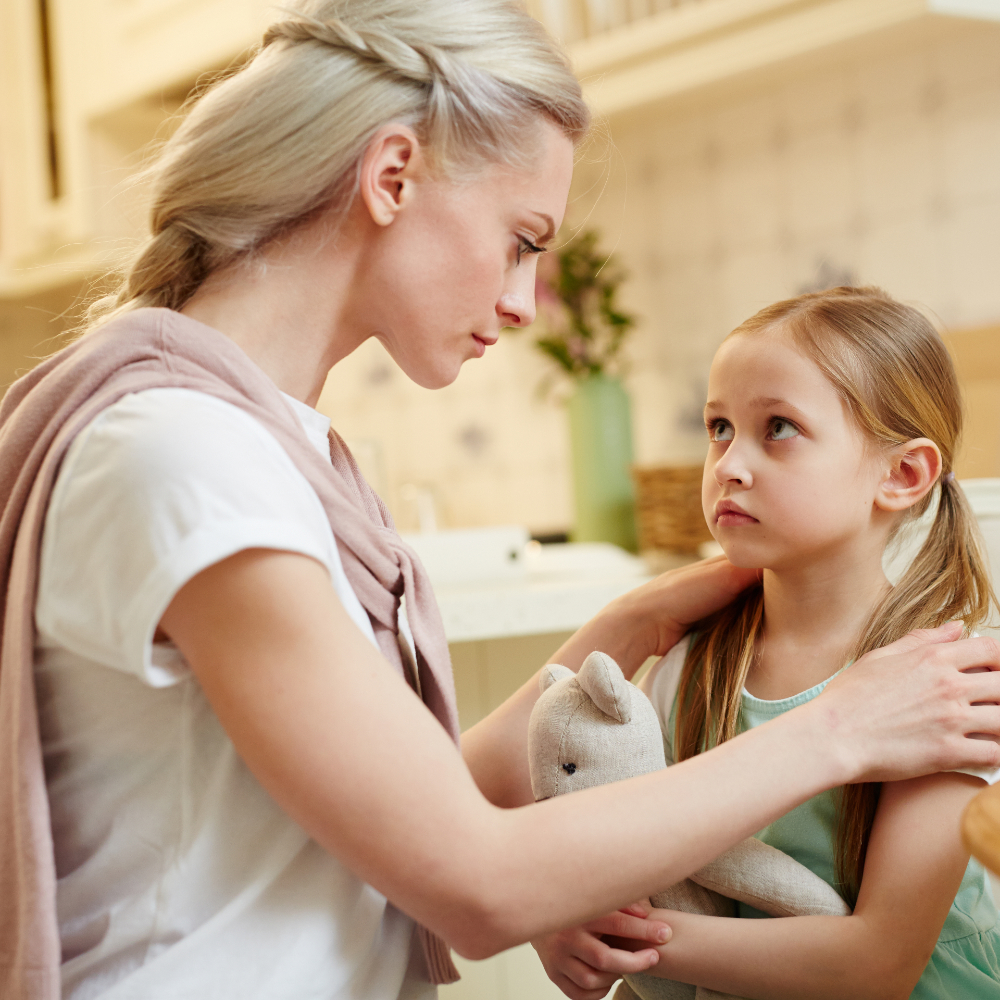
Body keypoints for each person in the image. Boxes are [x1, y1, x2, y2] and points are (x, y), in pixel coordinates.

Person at [2, 5, 1000, 999]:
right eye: (521, 241)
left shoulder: (267, 443)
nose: (524, 303)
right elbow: (476, 881)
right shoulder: (190, 454)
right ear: (392, 176)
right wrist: (838, 731)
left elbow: (434, 789)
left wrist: (621, 627)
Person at [538, 287, 1000, 999]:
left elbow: (877, 965)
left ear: (902, 475)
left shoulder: (936, 683)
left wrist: (616, 933)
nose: (728, 463)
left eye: (777, 427)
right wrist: (569, 906)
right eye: (719, 427)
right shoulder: (691, 663)